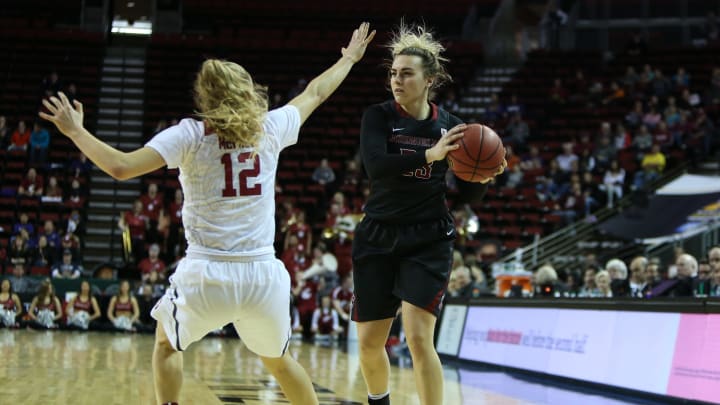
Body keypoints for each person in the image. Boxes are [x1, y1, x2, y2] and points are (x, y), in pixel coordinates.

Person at [40, 22, 375, 405]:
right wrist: (348, 58)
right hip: (262, 276)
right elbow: (316, 91)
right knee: (281, 362)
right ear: (246, 91)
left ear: (205, 97)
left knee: (167, 345)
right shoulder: (270, 128)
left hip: (208, 273)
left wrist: (76, 132)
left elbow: (120, 167)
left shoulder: (190, 135)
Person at [352, 23, 504, 405]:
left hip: (428, 238)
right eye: (392, 73)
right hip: (378, 233)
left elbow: (471, 195)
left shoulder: (452, 127)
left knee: (420, 338)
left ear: (429, 79)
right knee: (371, 343)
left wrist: (486, 175)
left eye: (406, 73)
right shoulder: (378, 117)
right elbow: (376, 167)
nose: (396, 80)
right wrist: (429, 156)